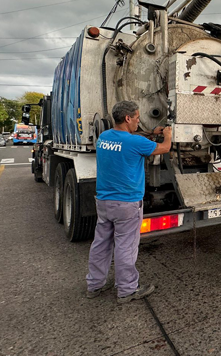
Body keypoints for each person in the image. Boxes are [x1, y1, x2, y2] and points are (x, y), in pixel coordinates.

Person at [86, 100, 172, 303]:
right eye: (136, 118)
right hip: (127, 204)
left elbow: (129, 139)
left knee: (101, 244)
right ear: (127, 118)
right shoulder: (135, 143)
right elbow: (165, 148)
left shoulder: (104, 137)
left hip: (104, 201)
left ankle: (94, 285)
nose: (137, 122)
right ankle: (127, 290)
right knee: (126, 246)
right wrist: (166, 134)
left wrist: (152, 131)